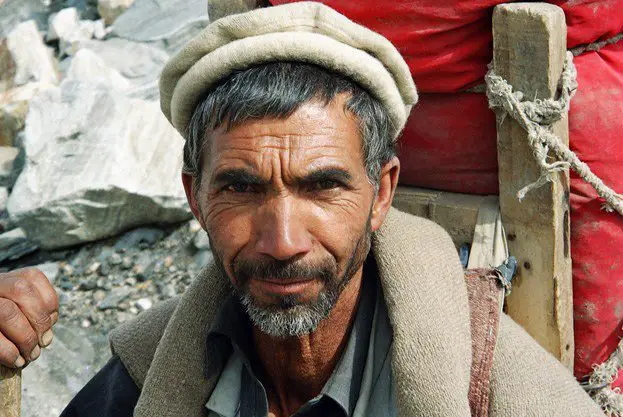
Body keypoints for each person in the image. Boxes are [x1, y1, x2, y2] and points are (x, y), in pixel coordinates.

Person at [0, 3, 604, 417]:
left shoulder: (496, 387)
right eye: (240, 188)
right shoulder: (152, 370)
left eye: (322, 188)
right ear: (194, 197)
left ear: (381, 194)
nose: (282, 240)